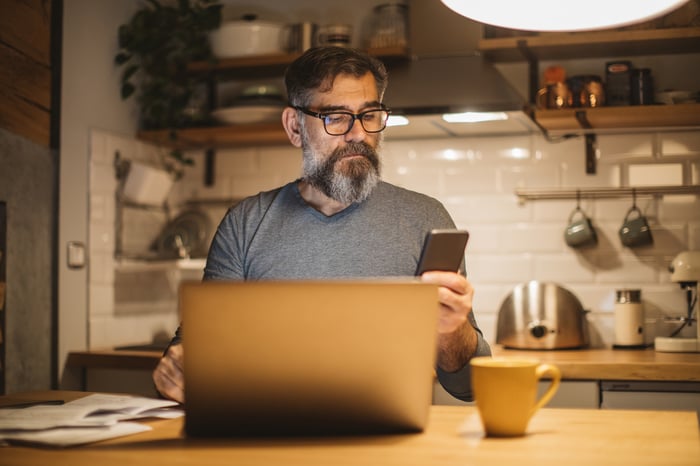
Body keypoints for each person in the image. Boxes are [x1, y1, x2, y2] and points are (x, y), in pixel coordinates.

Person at [153, 46, 491, 404]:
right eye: (336, 117)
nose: (358, 134)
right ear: (295, 127)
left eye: (369, 114)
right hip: (268, 442)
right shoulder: (245, 225)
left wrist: (453, 331)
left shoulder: (425, 219)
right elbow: (193, 354)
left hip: (390, 448)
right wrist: (179, 368)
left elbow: (469, 387)